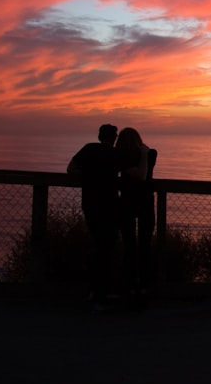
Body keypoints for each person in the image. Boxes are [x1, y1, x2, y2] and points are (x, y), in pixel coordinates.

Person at [67, 124, 122, 310]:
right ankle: (101, 294)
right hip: (110, 206)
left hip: (90, 205)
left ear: (99, 136)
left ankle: (95, 291)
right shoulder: (116, 154)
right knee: (107, 248)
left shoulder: (88, 149)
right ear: (113, 138)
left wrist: (88, 175)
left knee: (98, 246)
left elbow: (71, 168)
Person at [116, 126, 157, 300]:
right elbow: (142, 176)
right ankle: (139, 287)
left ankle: (134, 286)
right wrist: (144, 154)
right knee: (140, 247)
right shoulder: (145, 155)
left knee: (132, 247)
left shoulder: (124, 158)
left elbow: (140, 175)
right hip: (142, 204)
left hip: (129, 203)